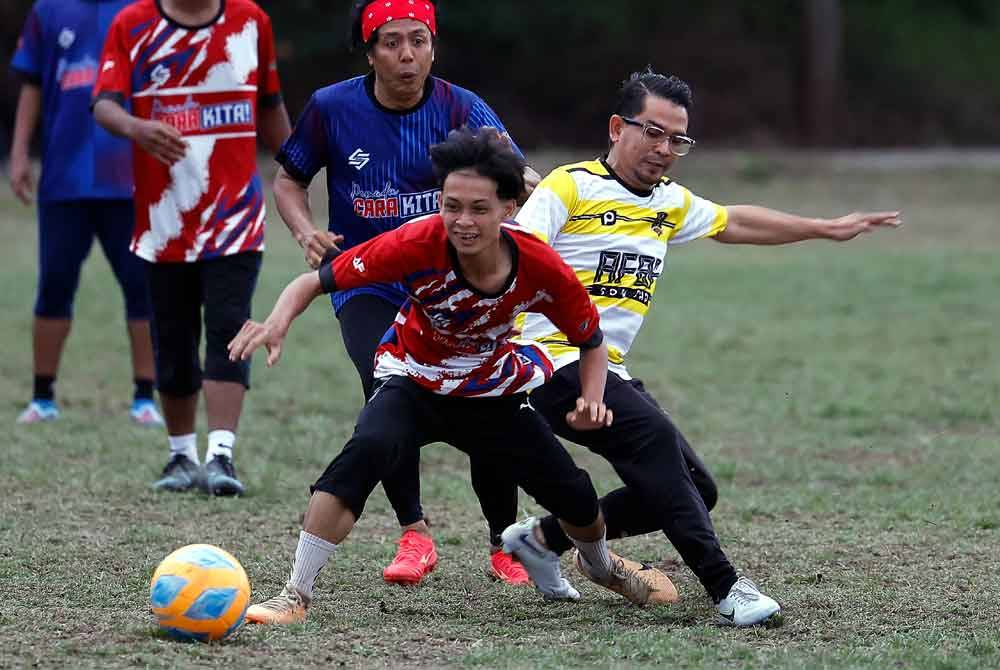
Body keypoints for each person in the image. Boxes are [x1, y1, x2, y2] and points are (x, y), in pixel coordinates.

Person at [494, 68, 902, 627]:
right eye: (652, 132)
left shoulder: (668, 203)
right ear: (617, 128)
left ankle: (541, 539)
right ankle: (728, 588)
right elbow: (516, 254)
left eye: (676, 140)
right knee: (655, 439)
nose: (664, 149)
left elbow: (734, 221)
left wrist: (825, 227)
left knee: (696, 489)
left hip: (607, 366)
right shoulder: (568, 187)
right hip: (545, 360)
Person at [228, 128, 650, 625]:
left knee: (575, 496)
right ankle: (294, 595)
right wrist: (277, 322)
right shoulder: (418, 240)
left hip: (489, 388)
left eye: (479, 209)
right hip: (413, 376)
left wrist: (594, 399)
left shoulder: (539, 265)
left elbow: (591, 340)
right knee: (365, 452)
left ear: (509, 209)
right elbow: (313, 281)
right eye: (452, 206)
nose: (462, 222)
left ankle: (600, 567)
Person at [272, 0, 538, 585]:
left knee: (484, 394)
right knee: (384, 387)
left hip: (454, 284)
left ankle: (503, 542)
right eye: (392, 42)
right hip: (367, 280)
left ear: (433, 46)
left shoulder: (461, 107)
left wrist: (536, 193)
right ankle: (413, 533)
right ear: (369, 53)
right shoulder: (331, 108)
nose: (407, 55)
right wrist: (304, 229)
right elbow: (290, 177)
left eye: (418, 40)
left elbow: (518, 177)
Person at [91, 0, 291, 495]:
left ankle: (221, 456)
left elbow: (269, 104)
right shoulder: (132, 24)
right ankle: (180, 457)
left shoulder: (251, 21)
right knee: (173, 339)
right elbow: (104, 102)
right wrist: (137, 128)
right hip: (163, 221)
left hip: (235, 219)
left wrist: (297, 168)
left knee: (229, 328)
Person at [9, 0, 162, 427]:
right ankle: (42, 397)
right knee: (53, 286)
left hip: (130, 180)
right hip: (64, 179)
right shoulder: (48, 10)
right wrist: (20, 154)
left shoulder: (146, 10)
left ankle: (144, 399)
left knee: (142, 288)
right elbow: (33, 83)